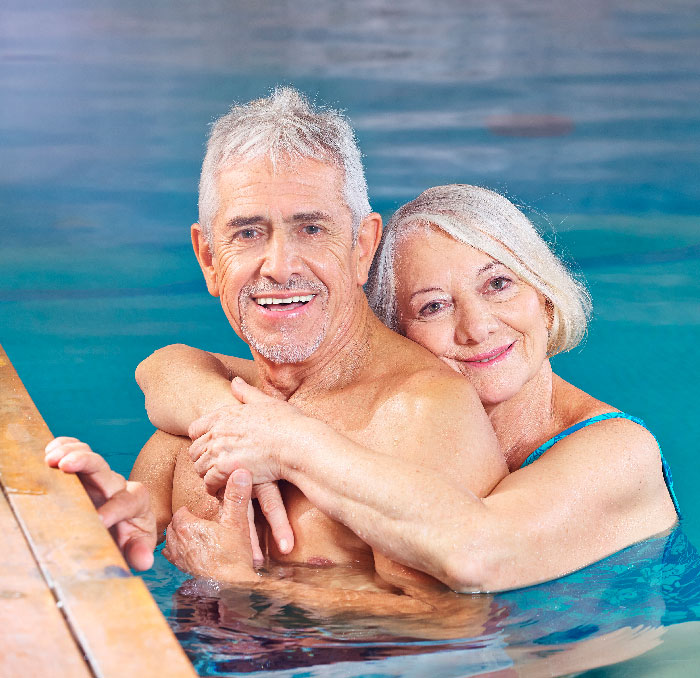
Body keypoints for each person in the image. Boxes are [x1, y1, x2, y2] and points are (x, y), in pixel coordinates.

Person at [46, 88, 507, 596]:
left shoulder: (419, 416)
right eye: (247, 233)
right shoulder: (195, 427)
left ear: (362, 247)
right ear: (208, 258)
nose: (280, 266)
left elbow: (462, 633)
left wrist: (247, 586)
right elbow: (139, 546)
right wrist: (104, 530)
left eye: (311, 228)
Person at [137, 183, 679, 592]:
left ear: (546, 296)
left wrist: (249, 580)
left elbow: (476, 560)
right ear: (398, 338)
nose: (477, 327)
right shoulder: (417, 421)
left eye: (499, 284)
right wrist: (223, 415)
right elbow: (171, 367)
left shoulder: (619, 452)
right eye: (433, 306)